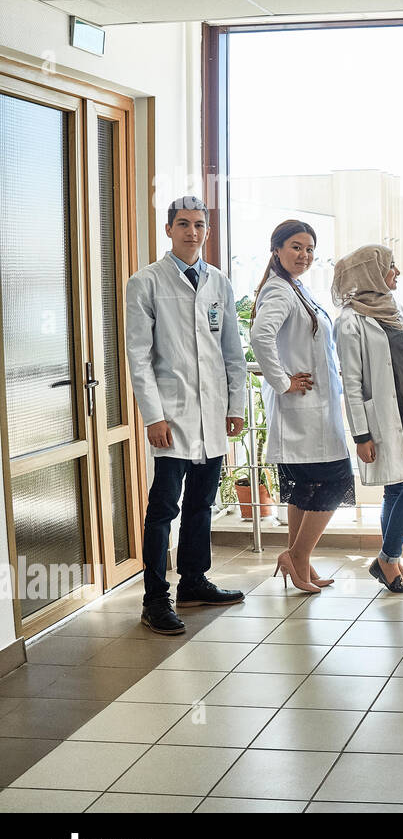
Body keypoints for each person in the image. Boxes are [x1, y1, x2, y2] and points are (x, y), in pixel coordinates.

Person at [124, 196, 246, 635]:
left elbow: (232, 352)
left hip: (212, 416)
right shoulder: (146, 283)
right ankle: (155, 598)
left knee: (202, 504)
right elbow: (138, 358)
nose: (191, 232)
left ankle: (193, 582)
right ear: (168, 229)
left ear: (207, 232)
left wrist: (235, 408)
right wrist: (153, 416)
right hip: (171, 418)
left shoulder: (219, 283)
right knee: (162, 510)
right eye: (182, 224)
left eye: (198, 225)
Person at [249, 219, 354, 595]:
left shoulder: (296, 288)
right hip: (302, 408)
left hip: (315, 409)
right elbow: (260, 335)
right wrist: (283, 382)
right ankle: (296, 556)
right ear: (276, 249)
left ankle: (301, 563)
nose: (304, 255)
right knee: (336, 481)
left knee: (306, 489)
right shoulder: (279, 290)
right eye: (296, 247)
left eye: (310, 249)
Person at [333, 245, 403, 595]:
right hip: (382, 418)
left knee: (397, 486)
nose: (397, 273)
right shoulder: (349, 320)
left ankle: (392, 560)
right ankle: (387, 559)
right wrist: (361, 435)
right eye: (391, 267)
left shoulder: (393, 308)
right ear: (371, 273)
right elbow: (352, 380)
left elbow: (400, 354)